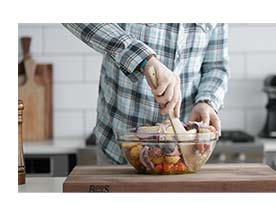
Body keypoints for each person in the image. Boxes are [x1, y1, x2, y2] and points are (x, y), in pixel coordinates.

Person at [63, 23, 229, 165]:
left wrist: (206, 101)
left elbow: (216, 66)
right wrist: (143, 59)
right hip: (119, 154)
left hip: (183, 157)